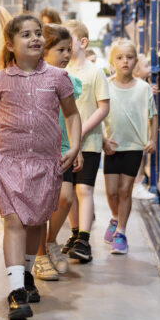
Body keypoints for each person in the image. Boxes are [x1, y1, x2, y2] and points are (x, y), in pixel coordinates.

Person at [0, 15, 82, 320]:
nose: (34, 38)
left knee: (36, 222)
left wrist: (74, 146)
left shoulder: (59, 78)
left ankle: (26, 273)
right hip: (7, 161)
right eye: (25, 34)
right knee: (14, 221)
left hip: (46, 162)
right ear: (10, 44)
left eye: (37, 34)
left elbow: (72, 114)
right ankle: (16, 291)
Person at [34, 24, 84, 280]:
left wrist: (77, 148)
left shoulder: (70, 81)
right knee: (41, 206)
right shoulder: (34, 80)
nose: (66, 55)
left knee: (65, 198)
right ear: (45, 51)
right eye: (60, 50)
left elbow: (73, 116)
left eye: (69, 50)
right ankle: (41, 254)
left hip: (63, 150)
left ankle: (51, 241)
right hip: (40, 152)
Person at [101, 39, 157, 254]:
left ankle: (121, 233)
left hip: (134, 145)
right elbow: (97, 115)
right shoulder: (105, 85)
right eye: (120, 57)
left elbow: (153, 115)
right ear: (112, 61)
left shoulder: (144, 88)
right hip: (112, 145)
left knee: (125, 190)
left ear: (136, 61)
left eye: (130, 57)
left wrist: (151, 139)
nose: (125, 61)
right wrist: (103, 140)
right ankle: (115, 218)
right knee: (111, 191)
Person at [63, 19, 110, 263]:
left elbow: (103, 107)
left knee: (84, 188)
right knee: (68, 191)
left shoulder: (95, 72)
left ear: (82, 42)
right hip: (64, 144)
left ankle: (84, 238)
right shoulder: (60, 72)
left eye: (67, 41)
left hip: (88, 142)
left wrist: (81, 131)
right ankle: (73, 233)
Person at [131, 53, 156, 200]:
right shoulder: (141, 87)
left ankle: (136, 185)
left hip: (139, 130)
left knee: (139, 158)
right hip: (137, 131)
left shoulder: (144, 86)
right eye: (147, 66)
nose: (151, 68)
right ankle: (136, 185)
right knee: (137, 158)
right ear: (137, 71)